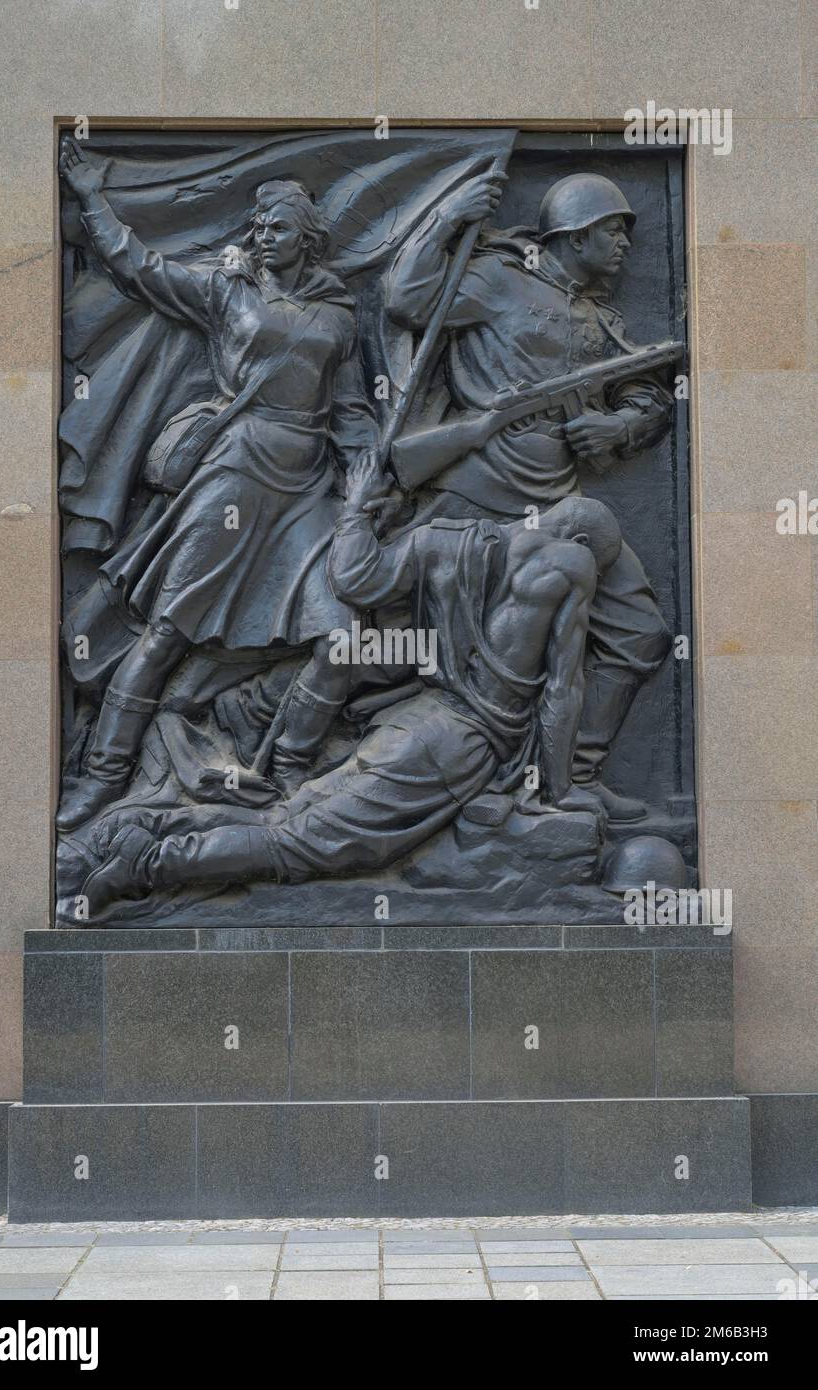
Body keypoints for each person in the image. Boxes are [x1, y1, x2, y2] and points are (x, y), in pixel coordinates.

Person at [78, 453, 623, 916]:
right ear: (576, 537)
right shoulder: (571, 563)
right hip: (459, 746)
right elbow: (561, 691)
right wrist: (560, 788)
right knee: (299, 846)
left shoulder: (439, 541)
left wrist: (357, 509)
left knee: (291, 818)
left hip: (417, 723)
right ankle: (146, 864)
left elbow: (356, 580)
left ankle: (144, 830)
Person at [56, 141, 378, 830]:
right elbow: (138, 267)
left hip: (306, 491)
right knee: (170, 629)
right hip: (234, 473)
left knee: (343, 636)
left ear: (307, 239)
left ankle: (290, 764)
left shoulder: (339, 315)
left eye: (279, 228)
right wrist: (92, 198)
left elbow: (350, 415)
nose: (264, 237)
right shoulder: (222, 289)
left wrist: (364, 485)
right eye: (257, 227)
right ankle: (102, 778)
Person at [383, 170, 674, 821]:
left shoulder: (598, 316)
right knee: (453, 663)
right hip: (476, 504)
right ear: (573, 234)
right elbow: (406, 301)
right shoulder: (494, 279)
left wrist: (618, 424)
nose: (625, 242)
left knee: (641, 635)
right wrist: (447, 217)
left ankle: (578, 772)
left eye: (627, 231)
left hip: (565, 511)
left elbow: (643, 394)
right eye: (611, 230)